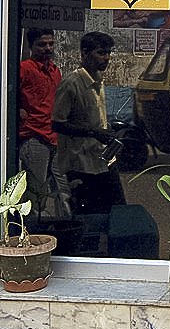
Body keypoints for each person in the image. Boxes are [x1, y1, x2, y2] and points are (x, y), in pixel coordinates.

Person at [52, 31, 126, 215]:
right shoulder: (72, 83)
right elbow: (57, 123)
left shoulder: (98, 81)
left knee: (116, 212)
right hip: (82, 165)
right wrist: (93, 132)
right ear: (84, 54)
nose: (106, 58)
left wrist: (106, 132)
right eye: (101, 53)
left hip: (104, 160)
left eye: (108, 53)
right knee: (89, 217)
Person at [17, 27, 70, 218]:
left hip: (55, 136)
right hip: (34, 137)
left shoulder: (55, 71)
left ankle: (64, 228)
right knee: (36, 191)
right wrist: (19, 110)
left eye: (50, 44)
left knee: (63, 188)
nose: (47, 48)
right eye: (42, 44)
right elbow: (8, 95)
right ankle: (32, 233)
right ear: (31, 46)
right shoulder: (24, 69)